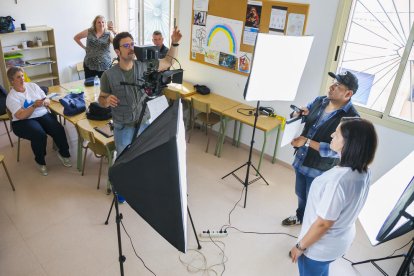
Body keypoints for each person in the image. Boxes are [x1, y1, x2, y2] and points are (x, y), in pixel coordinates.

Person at [290, 117, 378, 276]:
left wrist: (300, 247)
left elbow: (323, 224)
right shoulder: (364, 170)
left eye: (337, 134)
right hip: (341, 240)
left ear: (349, 143)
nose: (331, 135)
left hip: (319, 247)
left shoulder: (337, 181)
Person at [282, 71, 360, 226]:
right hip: (301, 160)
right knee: (301, 194)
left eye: (338, 85)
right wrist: (299, 113)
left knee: (315, 201)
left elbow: (336, 150)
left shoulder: (352, 119)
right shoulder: (320, 101)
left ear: (348, 93)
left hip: (320, 169)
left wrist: (306, 142)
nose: (331, 86)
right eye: (333, 82)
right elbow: (302, 115)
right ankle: (300, 216)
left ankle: (310, 227)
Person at [5, 67, 72, 176]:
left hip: (41, 114)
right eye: (18, 77)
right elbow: (21, 115)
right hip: (22, 121)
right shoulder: (11, 97)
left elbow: (46, 98)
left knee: (58, 128)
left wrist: (45, 102)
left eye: (22, 75)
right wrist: (34, 106)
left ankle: (64, 154)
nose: (22, 79)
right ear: (12, 81)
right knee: (39, 135)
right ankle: (40, 161)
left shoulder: (32, 86)